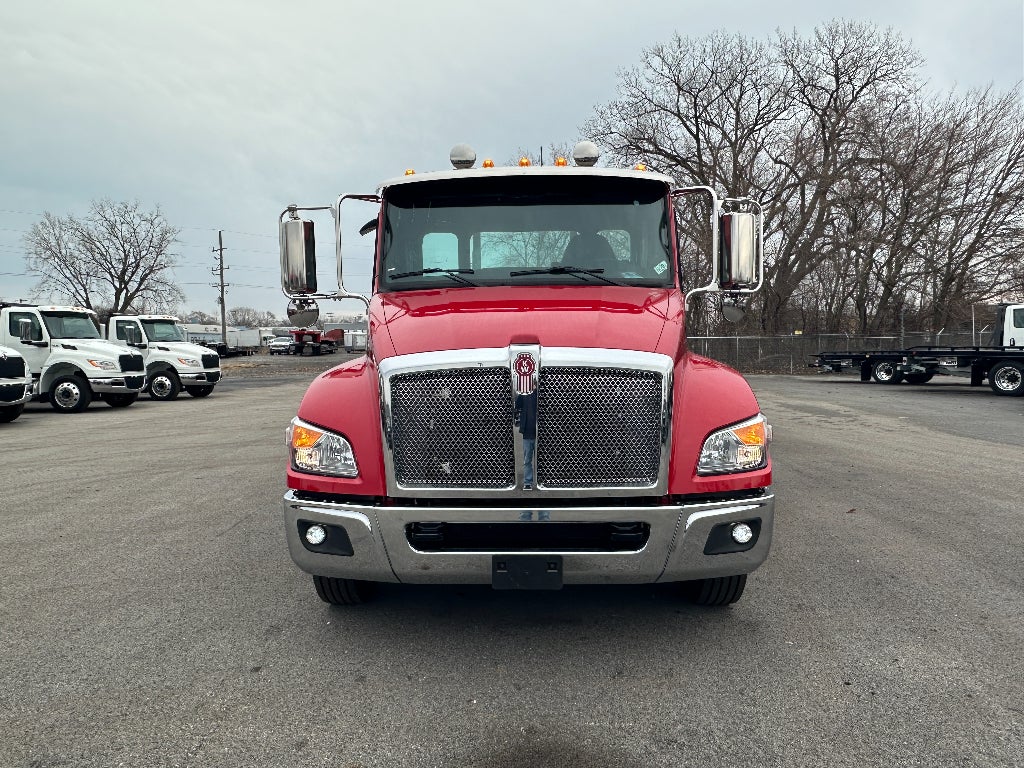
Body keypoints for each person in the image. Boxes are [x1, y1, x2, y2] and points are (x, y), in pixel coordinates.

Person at [514, 389, 537, 490]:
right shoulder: (524, 394)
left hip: (539, 433)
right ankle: (528, 482)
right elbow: (517, 405)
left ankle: (547, 481)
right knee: (527, 459)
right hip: (527, 432)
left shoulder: (540, 394)